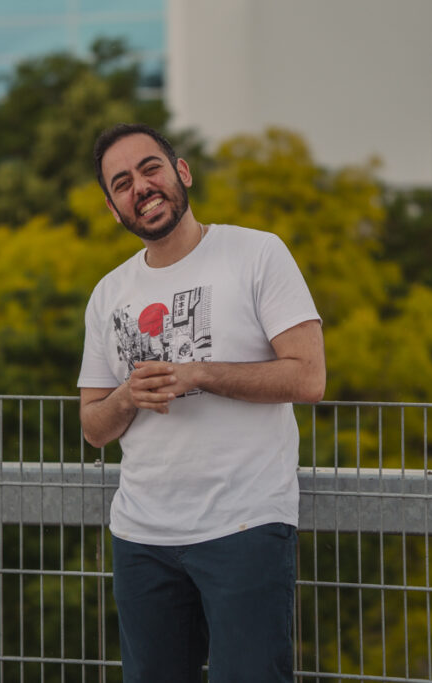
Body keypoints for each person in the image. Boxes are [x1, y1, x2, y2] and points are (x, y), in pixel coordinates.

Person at [77, 123, 325, 682]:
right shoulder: (108, 294)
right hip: (141, 537)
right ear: (115, 209)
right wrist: (127, 396)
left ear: (181, 172)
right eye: (121, 183)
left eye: (150, 168)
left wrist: (202, 373)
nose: (140, 186)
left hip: (245, 528)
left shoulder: (257, 252)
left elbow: (309, 377)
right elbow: (94, 426)